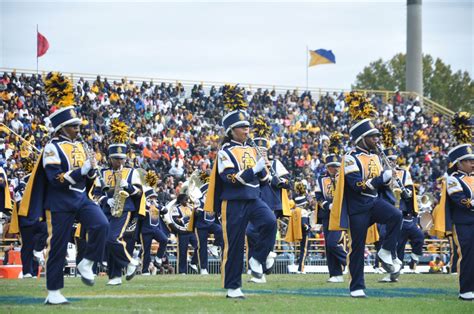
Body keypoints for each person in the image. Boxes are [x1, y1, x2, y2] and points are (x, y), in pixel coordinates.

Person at [18, 72, 109, 305]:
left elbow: (86, 176)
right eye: (73, 126)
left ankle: (87, 262)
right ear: (61, 128)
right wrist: (83, 170)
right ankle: (54, 292)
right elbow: (56, 179)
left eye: (78, 126)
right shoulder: (51, 148)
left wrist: (92, 173)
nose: (78, 129)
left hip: (81, 196)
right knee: (57, 245)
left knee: (101, 224)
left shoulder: (81, 145)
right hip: (60, 201)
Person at [204, 85, 277, 299]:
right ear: (231, 130)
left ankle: (257, 259)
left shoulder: (253, 149)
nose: (247, 130)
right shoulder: (225, 152)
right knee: (234, 246)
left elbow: (263, 182)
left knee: (270, 222)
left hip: (253, 199)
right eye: (242, 127)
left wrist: (265, 171)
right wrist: (254, 169)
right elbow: (231, 179)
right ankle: (233, 286)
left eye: (247, 127)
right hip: (233, 202)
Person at [329, 92, 402, 298]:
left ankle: (386, 251)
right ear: (362, 138)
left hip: (373, 202)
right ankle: (357, 287)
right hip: (358, 208)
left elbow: (377, 185)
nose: (377, 139)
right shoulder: (350, 158)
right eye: (373, 136)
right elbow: (357, 185)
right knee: (358, 247)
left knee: (396, 216)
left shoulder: (376, 157)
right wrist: (381, 178)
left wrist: (389, 179)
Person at [96, 119, 145, 286]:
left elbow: (139, 193)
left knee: (112, 238)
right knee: (107, 242)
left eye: (122, 158)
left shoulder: (131, 172)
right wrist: (105, 199)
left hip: (124, 208)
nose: (119, 162)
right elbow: (94, 193)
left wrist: (128, 186)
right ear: (110, 158)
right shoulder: (102, 173)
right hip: (106, 209)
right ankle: (115, 276)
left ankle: (130, 262)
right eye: (116, 159)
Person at [434, 112, 474, 301]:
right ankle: (465, 289)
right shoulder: (452, 180)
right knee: (467, 255)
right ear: (459, 163)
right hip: (464, 223)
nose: (472, 163)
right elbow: (462, 201)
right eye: (468, 160)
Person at [315, 133, 347, 283]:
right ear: (327, 167)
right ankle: (335, 274)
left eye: (337, 166)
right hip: (328, 214)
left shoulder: (345, 178)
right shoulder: (321, 179)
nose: (335, 169)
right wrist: (328, 205)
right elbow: (318, 197)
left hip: (340, 214)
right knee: (328, 245)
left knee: (334, 243)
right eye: (332, 167)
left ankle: (348, 261)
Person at [139, 171, 169, 275]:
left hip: (156, 229)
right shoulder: (143, 206)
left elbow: (165, 210)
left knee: (164, 240)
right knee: (145, 251)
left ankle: (158, 258)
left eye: (155, 197)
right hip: (146, 230)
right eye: (152, 197)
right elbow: (142, 213)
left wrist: (156, 205)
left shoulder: (156, 205)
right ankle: (145, 270)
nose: (154, 199)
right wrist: (148, 205)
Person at [193, 171, 223, 275]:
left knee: (221, 230)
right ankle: (203, 268)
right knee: (202, 247)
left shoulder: (215, 201)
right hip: (201, 226)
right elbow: (195, 213)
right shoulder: (199, 200)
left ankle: (215, 246)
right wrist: (197, 210)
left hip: (211, 224)